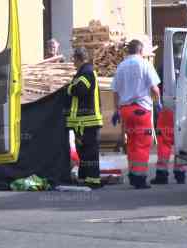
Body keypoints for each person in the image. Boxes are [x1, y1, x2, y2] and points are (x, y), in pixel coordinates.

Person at [111, 39, 161, 189]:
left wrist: (116, 110)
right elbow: (154, 88)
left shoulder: (121, 66)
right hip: (141, 110)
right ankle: (139, 178)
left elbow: (115, 91)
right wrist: (157, 102)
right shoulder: (145, 64)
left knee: (132, 142)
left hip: (126, 110)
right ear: (140, 51)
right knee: (142, 144)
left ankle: (132, 173)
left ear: (128, 51)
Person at [65, 47, 103, 189]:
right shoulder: (84, 72)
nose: (73, 61)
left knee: (90, 152)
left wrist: (69, 88)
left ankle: (93, 180)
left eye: (74, 58)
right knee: (84, 152)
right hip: (84, 121)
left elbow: (79, 89)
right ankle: (85, 177)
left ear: (79, 58)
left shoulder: (86, 72)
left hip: (88, 121)